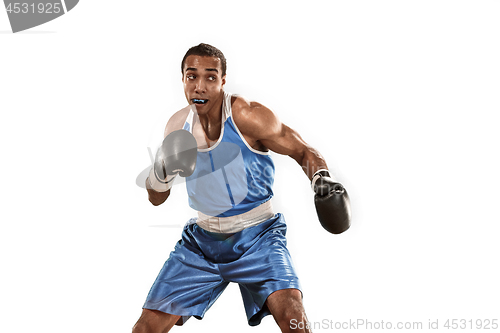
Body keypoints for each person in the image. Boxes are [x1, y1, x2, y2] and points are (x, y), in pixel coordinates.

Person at [133, 43, 350, 333]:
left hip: (258, 236)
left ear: (223, 80)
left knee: (293, 318)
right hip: (201, 243)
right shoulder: (176, 128)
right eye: (192, 76)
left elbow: (302, 150)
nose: (200, 86)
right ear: (182, 79)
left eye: (210, 77)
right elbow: (157, 198)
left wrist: (321, 178)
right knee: (145, 329)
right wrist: (159, 172)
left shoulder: (246, 116)